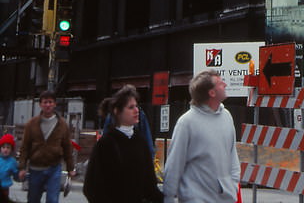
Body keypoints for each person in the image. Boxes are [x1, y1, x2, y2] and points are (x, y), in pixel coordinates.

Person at [162, 71, 240, 203]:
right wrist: (168, 197)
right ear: (212, 93)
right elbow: (174, 164)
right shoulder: (186, 123)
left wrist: (233, 185)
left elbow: (232, 154)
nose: (225, 84)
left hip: (225, 198)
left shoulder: (227, 116)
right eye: (220, 83)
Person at [83, 85, 162, 203]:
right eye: (131, 107)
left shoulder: (141, 142)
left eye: (136, 106)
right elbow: (91, 187)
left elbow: (150, 185)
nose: (136, 110)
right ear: (117, 111)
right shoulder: (105, 144)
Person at [18, 91, 75, 203]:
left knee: (52, 199)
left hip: (54, 168)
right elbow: (25, 147)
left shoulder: (62, 124)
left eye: (50, 102)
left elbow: (67, 147)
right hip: (35, 168)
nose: (48, 105)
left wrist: (70, 168)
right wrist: (22, 167)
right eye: (45, 102)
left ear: (55, 104)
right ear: (40, 104)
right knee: (33, 199)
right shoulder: (31, 124)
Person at [0, 133, 19, 203]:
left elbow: (16, 173)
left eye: (8, 147)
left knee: (4, 199)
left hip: (5, 186)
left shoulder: (12, 162)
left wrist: (19, 175)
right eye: (3, 147)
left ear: (11, 149)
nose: (5, 149)